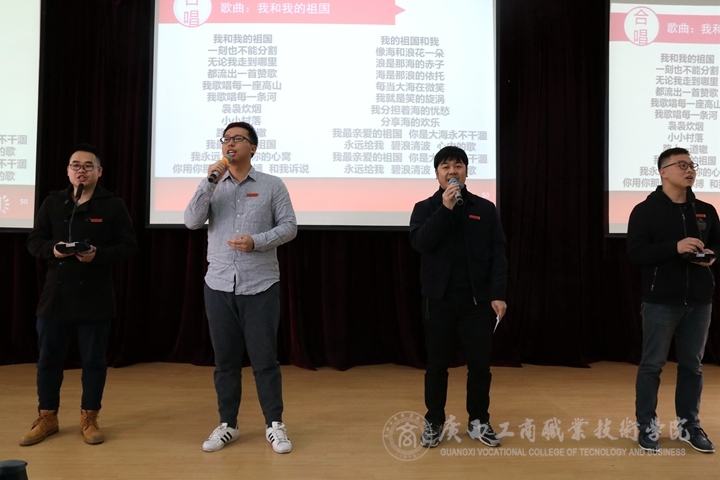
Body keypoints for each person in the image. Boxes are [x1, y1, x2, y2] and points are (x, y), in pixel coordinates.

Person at [184, 121, 297, 454]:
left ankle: (274, 424)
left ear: (253, 148)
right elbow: (191, 221)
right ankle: (228, 425)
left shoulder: (272, 185)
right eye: (226, 139)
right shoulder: (212, 184)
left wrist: (256, 241)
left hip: (260, 284)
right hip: (218, 284)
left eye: (237, 139)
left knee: (264, 360)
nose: (229, 144)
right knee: (226, 362)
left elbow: (289, 226)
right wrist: (208, 182)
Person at [22, 144, 136, 446]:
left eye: (88, 165)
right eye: (76, 165)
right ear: (68, 171)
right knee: (48, 360)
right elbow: (34, 241)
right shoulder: (53, 202)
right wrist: (54, 249)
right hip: (56, 295)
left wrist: (98, 255)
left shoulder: (112, 204)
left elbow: (128, 246)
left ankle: (90, 418)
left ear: (99, 171)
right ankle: (47, 416)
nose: (81, 170)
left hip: (95, 295)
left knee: (94, 361)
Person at [409, 145, 507, 449]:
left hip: (476, 302)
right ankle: (434, 421)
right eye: (446, 167)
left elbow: (498, 253)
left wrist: (498, 294)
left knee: (479, 366)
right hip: (438, 301)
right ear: (437, 174)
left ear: (466, 171)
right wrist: (445, 208)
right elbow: (420, 243)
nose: (452, 171)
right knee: (437, 365)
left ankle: (478, 421)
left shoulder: (484, 209)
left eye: (458, 166)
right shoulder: (425, 208)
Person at [627, 147, 718, 454]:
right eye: (682, 165)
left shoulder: (705, 209)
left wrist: (712, 256)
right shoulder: (645, 210)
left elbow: (718, 244)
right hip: (661, 301)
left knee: (692, 366)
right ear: (663, 172)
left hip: (700, 301)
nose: (690, 170)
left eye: (692, 165)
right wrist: (674, 247)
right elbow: (636, 253)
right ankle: (647, 425)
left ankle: (689, 425)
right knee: (652, 366)